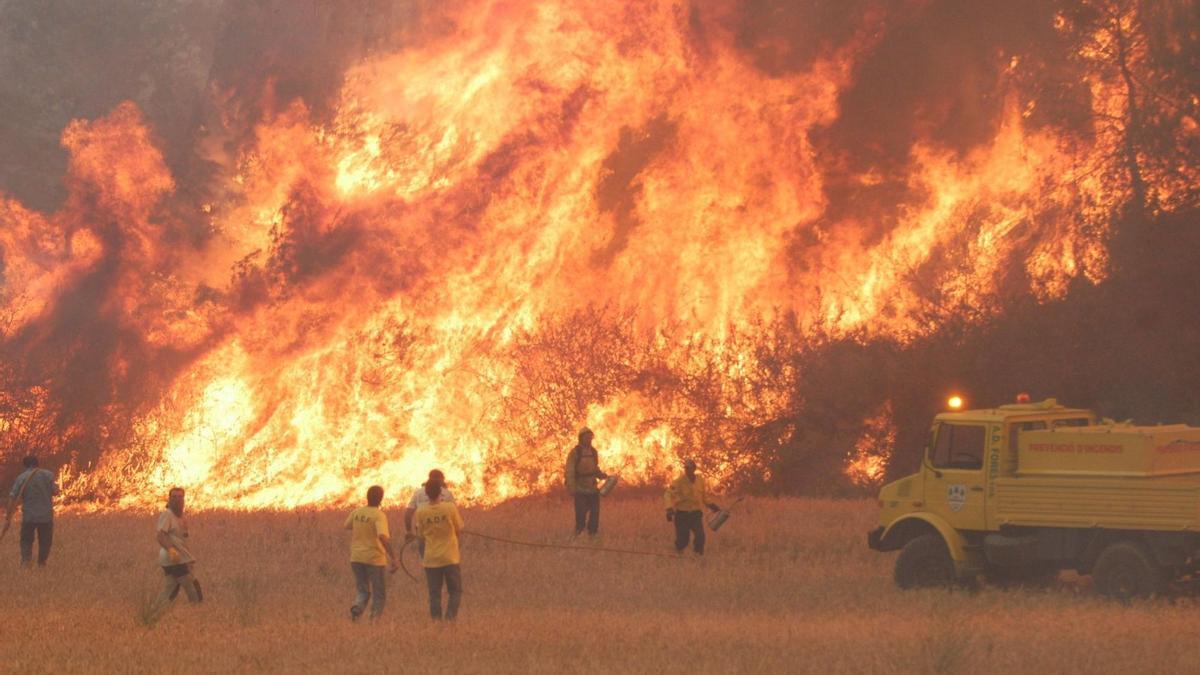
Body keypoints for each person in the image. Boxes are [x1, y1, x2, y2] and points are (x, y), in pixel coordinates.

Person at [344, 485, 398, 621]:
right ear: (381, 500)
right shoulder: (379, 515)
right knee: (379, 592)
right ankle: (374, 620)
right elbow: (382, 537)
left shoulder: (357, 512)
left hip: (356, 558)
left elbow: (347, 525)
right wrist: (393, 557)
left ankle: (357, 607)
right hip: (374, 559)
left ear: (367, 497)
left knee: (363, 590)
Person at [414, 474, 464, 621]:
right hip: (450, 558)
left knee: (434, 593)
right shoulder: (450, 508)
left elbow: (421, 535)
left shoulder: (421, 511)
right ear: (441, 493)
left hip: (431, 559)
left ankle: (436, 622)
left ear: (426, 493)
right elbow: (458, 530)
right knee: (455, 591)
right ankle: (450, 619)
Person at [5, 456, 61, 567]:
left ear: (25, 466)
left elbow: (12, 497)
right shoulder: (48, 475)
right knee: (45, 541)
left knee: (26, 539)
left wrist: (8, 516)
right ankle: (41, 562)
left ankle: (26, 561)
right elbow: (56, 492)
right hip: (46, 516)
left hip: (29, 516)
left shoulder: (21, 478)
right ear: (37, 463)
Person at [155, 487, 202, 607]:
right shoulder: (167, 515)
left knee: (171, 586)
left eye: (180, 497)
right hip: (172, 558)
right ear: (169, 499)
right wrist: (171, 550)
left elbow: (183, 539)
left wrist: (188, 559)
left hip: (180, 558)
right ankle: (198, 609)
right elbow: (160, 535)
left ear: (184, 499)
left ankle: (157, 609)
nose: (177, 500)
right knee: (190, 583)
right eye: (174, 497)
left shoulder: (181, 517)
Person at [664, 459, 722, 555]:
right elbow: (668, 494)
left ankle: (697, 556)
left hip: (695, 514)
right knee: (683, 539)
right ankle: (679, 554)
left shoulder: (700, 480)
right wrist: (669, 508)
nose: (687, 470)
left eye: (689, 468)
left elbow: (704, 497)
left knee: (700, 536)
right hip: (682, 515)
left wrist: (711, 505)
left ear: (694, 469)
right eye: (686, 468)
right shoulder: (678, 481)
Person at [564, 427, 607, 537]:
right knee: (581, 514)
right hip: (580, 488)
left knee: (595, 513)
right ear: (581, 438)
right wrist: (571, 487)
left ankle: (592, 534)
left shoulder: (593, 452)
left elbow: (595, 468)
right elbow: (569, 471)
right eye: (586, 438)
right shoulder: (575, 453)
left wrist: (602, 475)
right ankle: (578, 533)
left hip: (592, 488)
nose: (589, 440)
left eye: (590, 438)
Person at [404, 469, 455, 558]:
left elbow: (408, 513)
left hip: (423, 531)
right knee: (445, 559)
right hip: (443, 531)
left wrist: (409, 531)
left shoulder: (418, 493)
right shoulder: (447, 493)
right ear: (441, 479)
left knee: (426, 559)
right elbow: (453, 514)